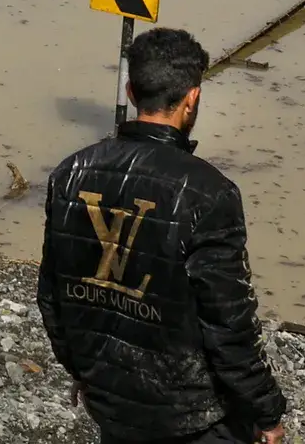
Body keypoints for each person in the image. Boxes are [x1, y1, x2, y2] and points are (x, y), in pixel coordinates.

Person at [39, 28, 286, 444]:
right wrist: (266, 409)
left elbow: (52, 295)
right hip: (194, 415)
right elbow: (229, 325)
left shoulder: (69, 174)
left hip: (112, 402)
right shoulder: (209, 194)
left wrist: (84, 370)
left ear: (131, 92)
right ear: (192, 99)